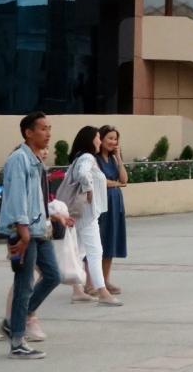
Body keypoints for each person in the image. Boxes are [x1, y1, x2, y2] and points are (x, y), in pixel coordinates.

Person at [0, 111, 72, 360]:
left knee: (52, 275)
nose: (48, 133)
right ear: (28, 132)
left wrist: (51, 219)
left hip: (38, 230)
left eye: (49, 128)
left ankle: (14, 323)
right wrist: (23, 233)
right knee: (24, 284)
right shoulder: (18, 159)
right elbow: (17, 197)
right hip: (24, 232)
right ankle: (17, 342)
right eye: (43, 128)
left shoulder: (36, 160)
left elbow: (36, 199)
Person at [64, 126, 122, 306]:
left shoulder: (79, 157)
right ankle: (102, 293)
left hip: (81, 212)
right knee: (95, 251)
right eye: (97, 137)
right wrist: (89, 188)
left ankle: (77, 291)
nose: (100, 140)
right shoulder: (88, 157)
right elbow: (82, 174)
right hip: (87, 214)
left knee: (80, 251)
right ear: (90, 140)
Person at [97, 125, 128, 295]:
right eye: (109, 138)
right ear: (101, 139)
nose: (113, 142)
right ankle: (94, 281)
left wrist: (119, 159)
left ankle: (105, 280)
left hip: (115, 203)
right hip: (101, 203)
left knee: (111, 240)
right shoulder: (95, 159)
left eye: (115, 139)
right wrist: (115, 183)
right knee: (98, 241)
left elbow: (124, 179)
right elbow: (100, 181)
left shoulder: (113, 159)